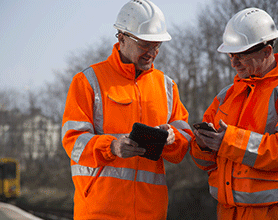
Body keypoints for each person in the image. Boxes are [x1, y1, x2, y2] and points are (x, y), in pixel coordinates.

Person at [61, 0, 193, 219]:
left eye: (157, 45)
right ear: (121, 38)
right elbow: (72, 142)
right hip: (100, 212)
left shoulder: (167, 87)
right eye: (145, 44)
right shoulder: (88, 81)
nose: (152, 52)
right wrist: (111, 146)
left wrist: (171, 138)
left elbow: (184, 142)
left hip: (151, 212)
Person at [190, 7, 278, 220]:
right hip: (228, 212)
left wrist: (228, 142)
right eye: (231, 55)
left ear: (267, 51)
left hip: (276, 213)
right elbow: (204, 161)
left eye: (241, 55)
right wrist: (203, 146)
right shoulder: (226, 96)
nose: (234, 63)